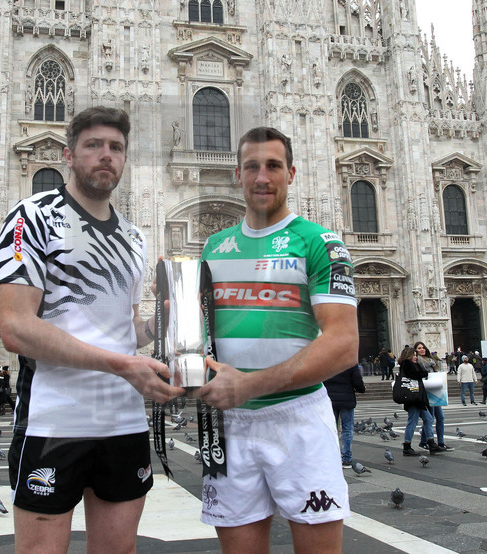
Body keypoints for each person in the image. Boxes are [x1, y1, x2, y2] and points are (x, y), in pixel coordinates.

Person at [0, 106, 183, 553]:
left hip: (122, 422)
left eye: (116, 148)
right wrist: (122, 365)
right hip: (53, 421)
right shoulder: (30, 218)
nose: (106, 156)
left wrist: (166, 323)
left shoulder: (134, 239)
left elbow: (126, 330)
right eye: (93, 145)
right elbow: (17, 328)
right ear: (68, 154)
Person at [199, 127, 358, 552]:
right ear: (238, 174)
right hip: (228, 425)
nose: (262, 177)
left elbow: (343, 343)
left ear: (291, 172)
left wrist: (251, 384)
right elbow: (202, 339)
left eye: (273, 166)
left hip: (297, 420)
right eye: (252, 167)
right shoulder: (214, 248)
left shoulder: (321, 243)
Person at [397, 346, 442, 456]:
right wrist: (423, 372)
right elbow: (416, 374)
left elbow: (421, 372)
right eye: (414, 355)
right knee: (413, 422)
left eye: (416, 355)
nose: (416, 357)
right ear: (408, 355)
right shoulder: (407, 364)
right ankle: (407, 446)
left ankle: (431, 443)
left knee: (428, 419)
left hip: (418, 398)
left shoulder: (413, 364)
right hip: (413, 398)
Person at [323, 365, 365, 469]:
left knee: (331, 429)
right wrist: (361, 388)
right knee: (347, 429)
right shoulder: (348, 360)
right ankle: (346, 458)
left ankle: (332, 457)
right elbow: (357, 381)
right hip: (346, 398)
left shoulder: (326, 361)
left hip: (330, 399)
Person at [415, 341, 453, 452]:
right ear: (415, 351)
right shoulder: (417, 361)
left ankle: (440, 442)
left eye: (423, 348)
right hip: (426, 391)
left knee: (440, 417)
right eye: (419, 348)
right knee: (429, 418)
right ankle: (427, 442)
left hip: (436, 390)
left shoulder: (431, 360)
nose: (422, 350)